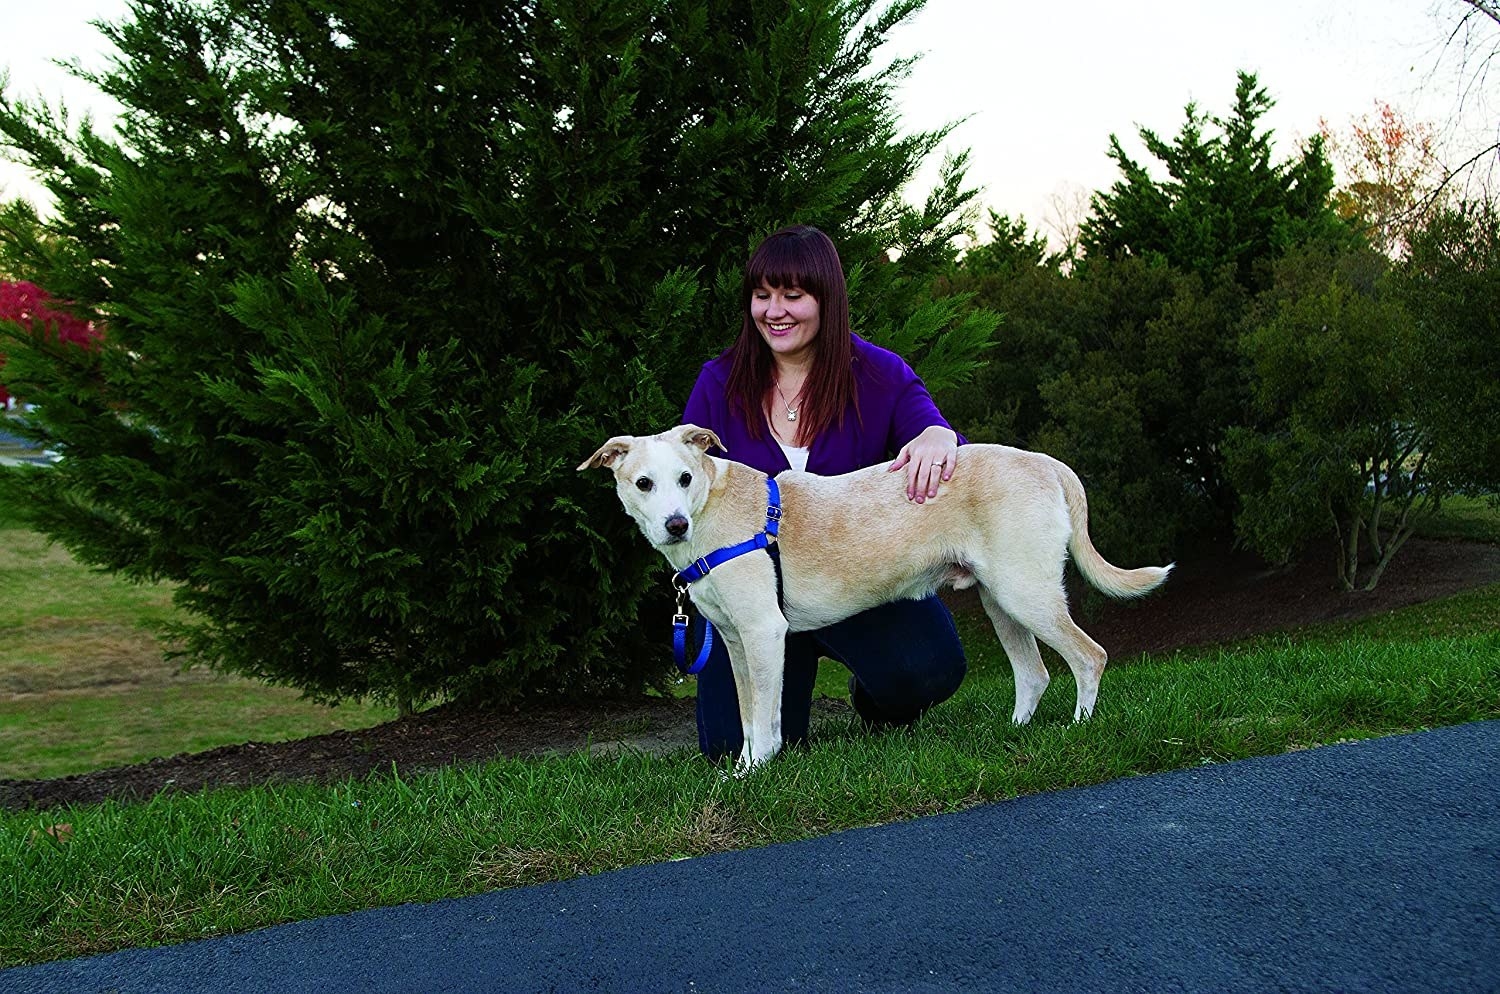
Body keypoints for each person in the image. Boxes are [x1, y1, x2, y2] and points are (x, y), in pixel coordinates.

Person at [681, 224, 968, 763]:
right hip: (752, 598)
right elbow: (690, 487)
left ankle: (872, 691)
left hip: (854, 580)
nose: (775, 311)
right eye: (762, 295)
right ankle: (784, 702)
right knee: (726, 746)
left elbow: (940, 443)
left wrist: (938, 433)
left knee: (930, 670)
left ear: (827, 299)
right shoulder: (718, 383)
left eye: (794, 295)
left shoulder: (877, 373)